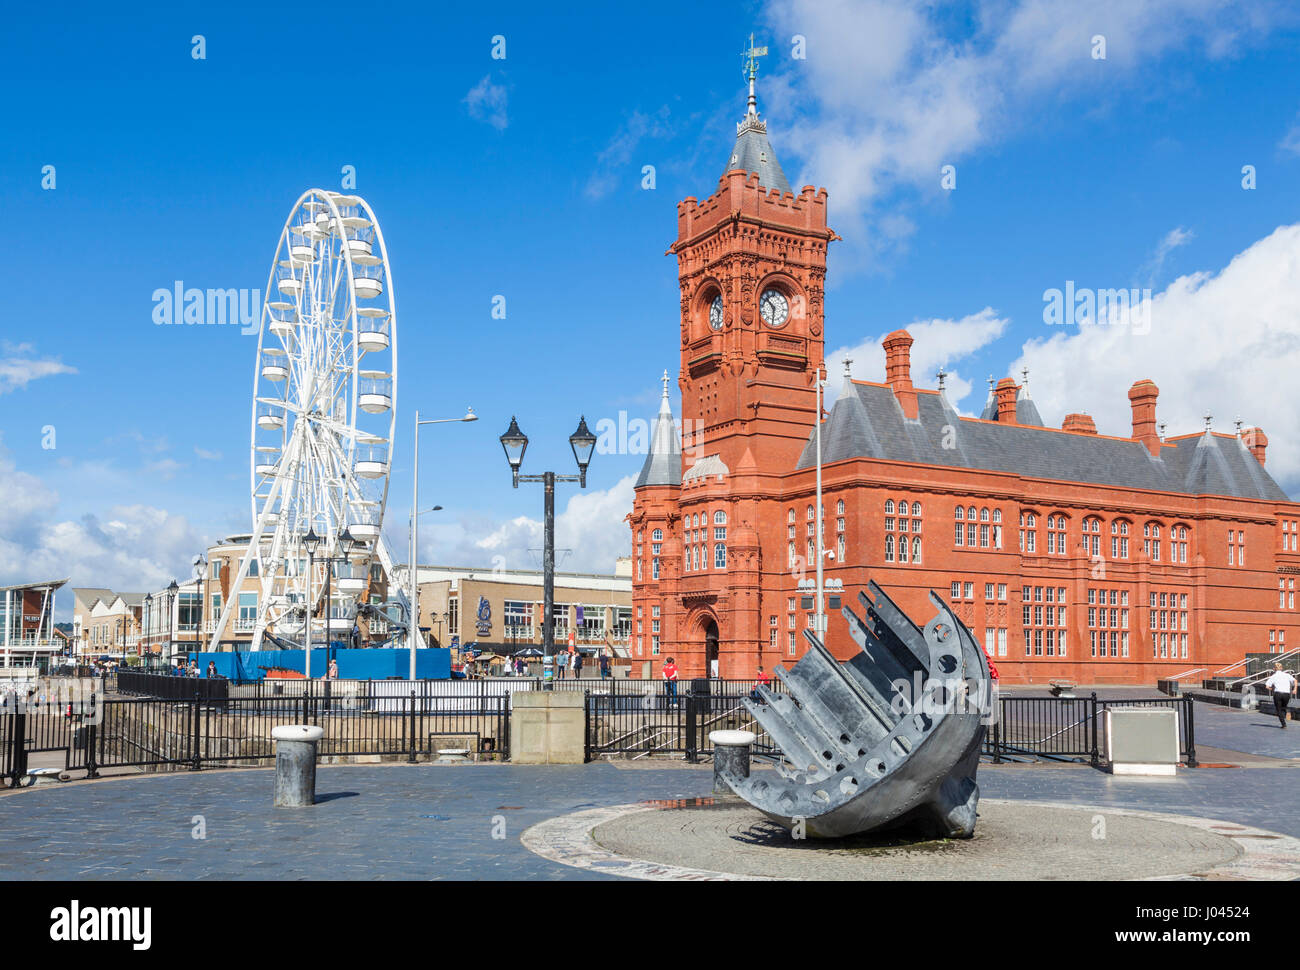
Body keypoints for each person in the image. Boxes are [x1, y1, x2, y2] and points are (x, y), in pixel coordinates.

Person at [1264, 663, 1297, 729]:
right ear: (1281, 668)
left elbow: (1267, 686)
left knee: (1279, 710)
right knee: (1284, 707)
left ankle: (1284, 725)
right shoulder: (1287, 675)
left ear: (1274, 669)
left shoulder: (1273, 676)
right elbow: (1295, 680)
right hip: (1286, 694)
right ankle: (1287, 711)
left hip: (1278, 694)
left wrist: (1272, 689)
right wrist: (1295, 689)